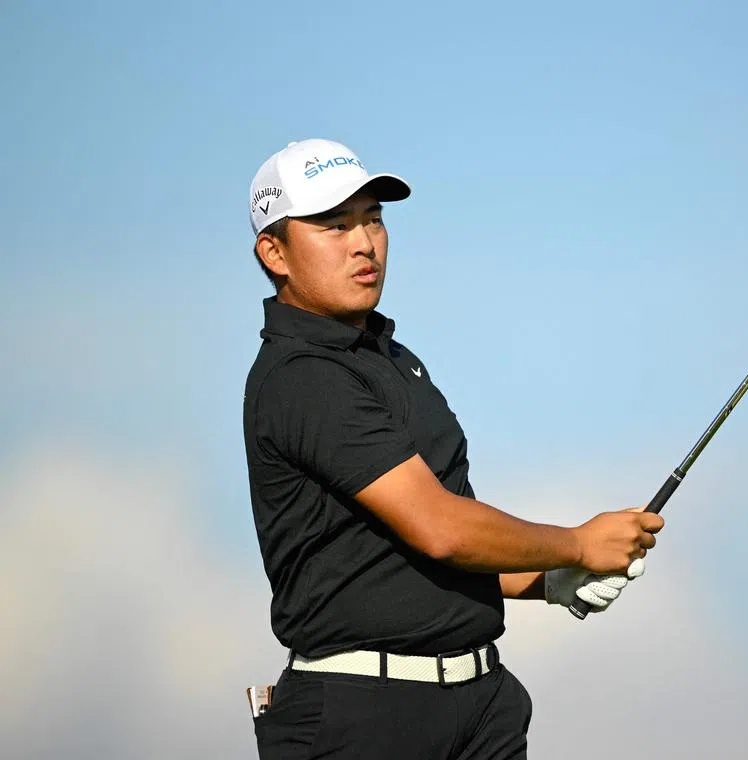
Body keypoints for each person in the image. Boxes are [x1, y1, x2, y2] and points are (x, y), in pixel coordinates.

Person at [242, 138, 665, 760]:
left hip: (479, 708)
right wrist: (578, 543)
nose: (364, 243)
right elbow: (441, 528)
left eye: (373, 219)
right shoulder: (301, 375)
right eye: (335, 225)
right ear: (274, 252)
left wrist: (550, 578)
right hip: (363, 716)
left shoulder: (394, 361)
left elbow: (431, 544)